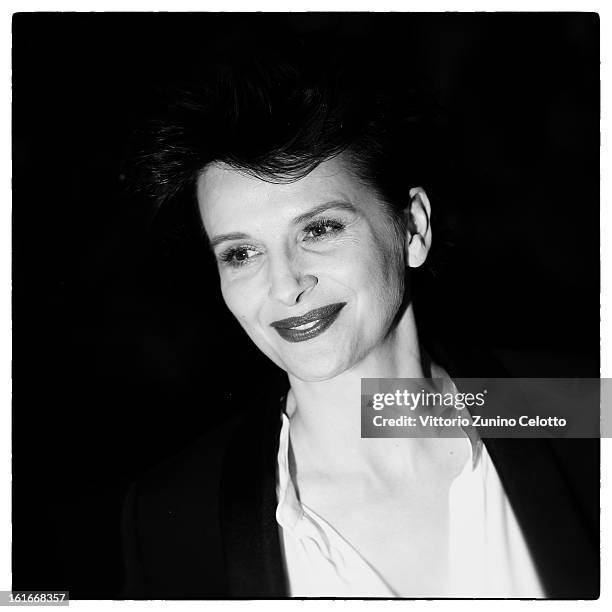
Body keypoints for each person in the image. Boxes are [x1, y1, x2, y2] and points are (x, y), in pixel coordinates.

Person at [121, 39, 599, 599]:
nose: (285, 286)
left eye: (320, 229)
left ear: (412, 229)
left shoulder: (578, 412)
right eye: (241, 253)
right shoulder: (171, 518)